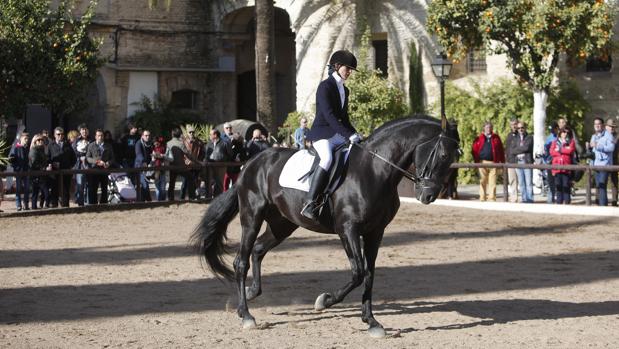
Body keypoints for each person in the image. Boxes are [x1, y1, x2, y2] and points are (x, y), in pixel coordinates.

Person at [301, 49, 362, 220]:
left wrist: (355, 134)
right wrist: (347, 134)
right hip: (321, 134)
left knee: (355, 153)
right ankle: (310, 202)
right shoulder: (325, 86)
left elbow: (344, 117)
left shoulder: (345, 90)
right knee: (327, 158)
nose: (349, 72)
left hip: (336, 134)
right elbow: (329, 115)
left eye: (351, 69)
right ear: (337, 66)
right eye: (347, 68)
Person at [472, 121, 505, 202]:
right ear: (484, 128)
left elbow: (501, 150)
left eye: (490, 127)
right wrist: (477, 161)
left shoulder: (496, 137)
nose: (488, 129)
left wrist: (502, 162)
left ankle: (492, 198)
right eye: (487, 127)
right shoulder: (479, 138)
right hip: (482, 162)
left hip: (493, 163)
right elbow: (474, 149)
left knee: (492, 182)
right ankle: (482, 197)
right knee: (482, 180)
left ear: (492, 128)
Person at [588, 117, 615, 206]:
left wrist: (598, 146)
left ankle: (603, 205)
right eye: (595, 124)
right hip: (595, 165)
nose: (597, 126)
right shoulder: (593, 136)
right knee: (599, 186)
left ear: (603, 125)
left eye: (599, 124)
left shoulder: (608, 135)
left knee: (602, 185)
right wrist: (588, 147)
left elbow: (611, 148)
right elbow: (592, 152)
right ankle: (601, 205)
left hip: (605, 165)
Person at [48, 127, 76, 208]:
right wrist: (51, 164)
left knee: (66, 190)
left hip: (66, 171)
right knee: (54, 189)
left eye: (62, 134)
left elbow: (74, 158)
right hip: (55, 172)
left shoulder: (67, 145)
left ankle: (66, 206)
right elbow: (47, 158)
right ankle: (54, 206)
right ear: (54, 135)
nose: (60, 136)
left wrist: (70, 166)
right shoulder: (51, 145)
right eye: (58, 134)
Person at [86, 129, 115, 204]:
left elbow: (112, 158)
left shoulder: (108, 146)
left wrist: (108, 162)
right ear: (95, 136)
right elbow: (88, 158)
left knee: (104, 189)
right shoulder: (91, 145)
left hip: (104, 170)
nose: (100, 137)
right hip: (94, 170)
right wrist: (97, 161)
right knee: (93, 188)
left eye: (102, 135)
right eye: (98, 135)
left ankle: (104, 204)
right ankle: (93, 205)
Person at [166, 127, 195, 201]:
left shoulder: (168, 143)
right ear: (179, 135)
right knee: (191, 178)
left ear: (172, 134)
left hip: (172, 166)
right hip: (181, 166)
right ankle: (191, 197)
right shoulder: (181, 143)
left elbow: (166, 155)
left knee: (172, 183)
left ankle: (170, 198)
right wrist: (196, 162)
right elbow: (188, 154)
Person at [550, 127, 576, 204]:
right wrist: (564, 150)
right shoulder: (555, 142)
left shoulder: (571, 141)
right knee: (558, 186)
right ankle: (559, 202)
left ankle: (567, 202)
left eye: (566, 132)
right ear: (560, 133)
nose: (565, 134)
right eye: (563, 132)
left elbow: (570, 150)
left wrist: (560, 150)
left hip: (566, 167)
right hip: (557, 167)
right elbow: (551, 152)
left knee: (566, 185)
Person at [509, 121, 534, 203]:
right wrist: (521, 149)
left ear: (525, 128)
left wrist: (518, 149)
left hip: (526, 161)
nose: (520, 129)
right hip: (518, 162)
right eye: (518, 128)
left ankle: (529, 199)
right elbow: (512, 150)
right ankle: (524, 199)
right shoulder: (515, 138)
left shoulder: (529, 137)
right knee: (521, 183)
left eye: (522, 127)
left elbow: (526, 148)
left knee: (528, 182)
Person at [205, 129, 231, 197]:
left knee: (219, 183)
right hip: (210, 165)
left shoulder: (225, 143)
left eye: (211, 134)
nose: (209, 136)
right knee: (209, 182)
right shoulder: (208, 143)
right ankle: (208, 197)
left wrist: (223, 161)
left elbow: (230, 154)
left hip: (221, 166)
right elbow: (206, 154)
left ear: (215, 135)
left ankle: (217, 197)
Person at [181, 125, 205, 199]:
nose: (191, 133)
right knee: (184, 184)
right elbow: (181, 153)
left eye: (193, 132)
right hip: (186, 166)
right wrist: (186, 160)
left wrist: (198, 162)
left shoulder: (199, 142)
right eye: (190, 132)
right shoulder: (183, 141)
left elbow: (202, 154)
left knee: (196, 183)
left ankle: (194, 198)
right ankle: (182, 199)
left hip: (196, 165)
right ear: (187, 133)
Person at [9, 132, 31, 211]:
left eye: (27, 139)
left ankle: (26, 204)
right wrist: (16, 168)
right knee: (18, 189)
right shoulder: (16, 148)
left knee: (27, 188)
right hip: (19, 172)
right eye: (25, 139)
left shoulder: (28, 149)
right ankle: (18, 205)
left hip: (26, 171)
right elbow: (12, 160)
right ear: (21, 139)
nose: (26, 140)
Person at [28, 134, 50, 209]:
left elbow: (44, 161)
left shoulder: (42, 149)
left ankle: (38, 206)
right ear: (35, 141)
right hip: (36, 174)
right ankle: (35, 207)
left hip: (41, 174)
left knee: (38, 192)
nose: (40, 141)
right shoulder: (34, 150)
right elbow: (34, 164)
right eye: (38, 140)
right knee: (38, 192)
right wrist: (44, 168)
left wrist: (47, 165)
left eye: (42, 140)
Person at [73, 124, 91, 206]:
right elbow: (73, 152)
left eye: (85, 130)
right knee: (80, 185)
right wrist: (80, 156)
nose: (84, 131)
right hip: (79, 165)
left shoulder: (91, 140)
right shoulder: (76, 141)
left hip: (90, 165)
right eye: (82, 130)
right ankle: (80, 203)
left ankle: (88, 202)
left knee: (89, 185)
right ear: (80, 131)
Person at [134, 129, 153, 202]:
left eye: (149, 135)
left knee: (144, 186)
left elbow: (151, 153)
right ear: (142, 136)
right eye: (146, 135)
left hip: (148, 167)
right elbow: (138, 154)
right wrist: (143, 161)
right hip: (140, 167)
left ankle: (142, 202)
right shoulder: (138, 143)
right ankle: (149, 201)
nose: (148, 137)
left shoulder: (149, 144)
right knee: (145, 185)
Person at [543, 122, 559, 203]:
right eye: (551, 130)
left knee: (558, 181)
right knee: (550, 182)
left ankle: (559, 199)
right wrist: (545, 160)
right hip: (550, 162)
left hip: (558, 162)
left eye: (553, 130)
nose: (552, 131)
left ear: (557, 129)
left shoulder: (560, 137)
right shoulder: (548, 138)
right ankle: (550, 199)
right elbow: (545, 151)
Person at [504, 118, 519, 202]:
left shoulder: (521, 135)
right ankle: (514, 197)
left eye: (515, 124)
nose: (514, 126)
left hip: (519, 161)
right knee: (512, 180)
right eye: (512, 124)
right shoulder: (509, 135)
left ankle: (526, 198)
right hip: (510, 161)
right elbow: (507, 149)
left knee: (521, 181)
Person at [151, 136, 167, 201]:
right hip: (156, 169)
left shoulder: (164, 148)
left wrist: (162, 156)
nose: (156, 144)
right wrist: (153, 157)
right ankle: (158, 201)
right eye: (154, 143)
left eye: (157, 143)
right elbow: (152, 160)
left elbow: (167, 156)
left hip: (162, 168)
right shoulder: (153, 149)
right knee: (157, 187)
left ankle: (163, 200)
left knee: (163, 187)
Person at [607, 118, 618, 206]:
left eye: (613, 127)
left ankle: (614, 200)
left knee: (614, 182)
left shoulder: (617, 137)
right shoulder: (603, 136)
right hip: (604, 162)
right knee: (602, 181)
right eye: (610, 126)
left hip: (614, 161)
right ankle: (599, 200)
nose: (612, 128)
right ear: (606, 127)